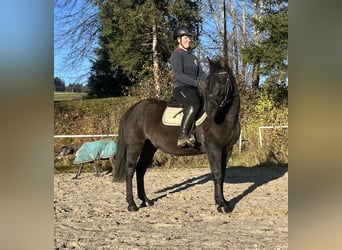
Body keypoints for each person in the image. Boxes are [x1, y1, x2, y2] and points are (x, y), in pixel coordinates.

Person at [170, 27, 208, 147]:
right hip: (181, 88)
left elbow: (201, 74)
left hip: (194, 89)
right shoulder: (176, 55)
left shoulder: (194, 57)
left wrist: (208, 81)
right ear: (178, 40)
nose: (188, 40)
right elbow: (179, 75)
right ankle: (182, 136)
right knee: (194, 104)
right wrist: (197, 83)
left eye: (189, 38)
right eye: (186, 38)